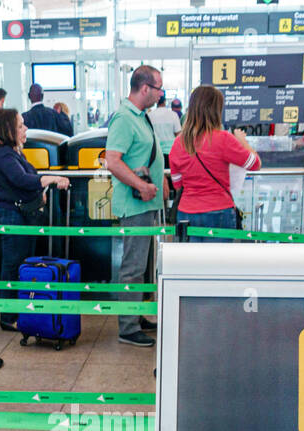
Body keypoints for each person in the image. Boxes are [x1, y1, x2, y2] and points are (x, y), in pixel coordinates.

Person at [0, 108, 70, 329]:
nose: (25, 129)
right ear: (8, 129)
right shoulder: (4, 155)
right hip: (12, 217)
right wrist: (51, 178)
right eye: (21, 125)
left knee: (20, 265)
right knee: (13, 267)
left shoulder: (14, 153)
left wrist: (41, 187)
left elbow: (29, 178)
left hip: (21, 216)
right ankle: (8, 317)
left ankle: (18, 313)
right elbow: (22, 179)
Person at [105, 65, 166, 347]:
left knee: (142, 265)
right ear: (145, 88)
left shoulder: (142, 117)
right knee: (132, 266)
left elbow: (143, 155)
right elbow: (113, 161)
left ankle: (136, 313)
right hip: (135, 204)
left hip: (148, 202)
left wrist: (159, 179)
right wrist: (142, 185)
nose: (161, 94)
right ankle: (127, 327)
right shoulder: (124, 118)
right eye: (158, 88)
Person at [169, 85, 259, 242]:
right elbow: (255, 163)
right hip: (219, 211)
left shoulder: (178, 143)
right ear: (216, 110)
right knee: (218, 264)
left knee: (190, 264)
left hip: (186, 212)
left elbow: (177, 184)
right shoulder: (224, 139)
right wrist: (242, 141)